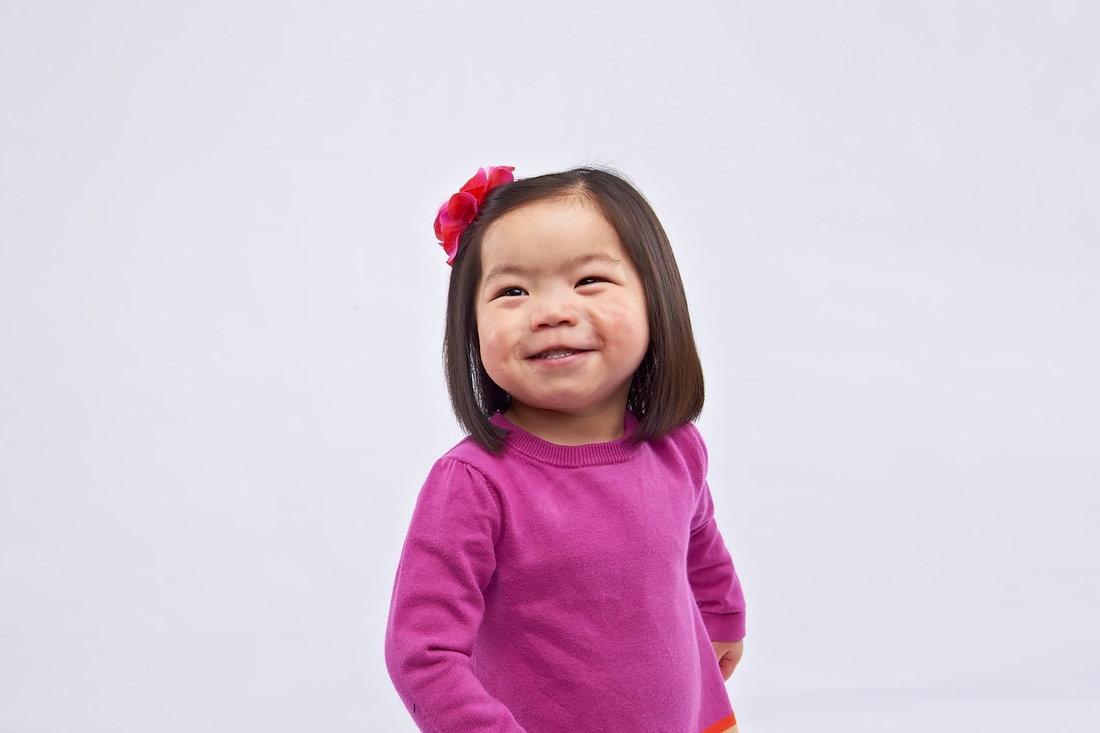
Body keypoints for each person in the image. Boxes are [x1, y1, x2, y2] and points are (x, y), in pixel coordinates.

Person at [385, 166, 747, 732]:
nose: (551, 311)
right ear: (469, 326)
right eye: (512, 291)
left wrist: (723, 612)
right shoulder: (473, 484)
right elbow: (423, 651)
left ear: (657, 298)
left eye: (588, 281)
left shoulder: (677, 447)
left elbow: (700, 541)